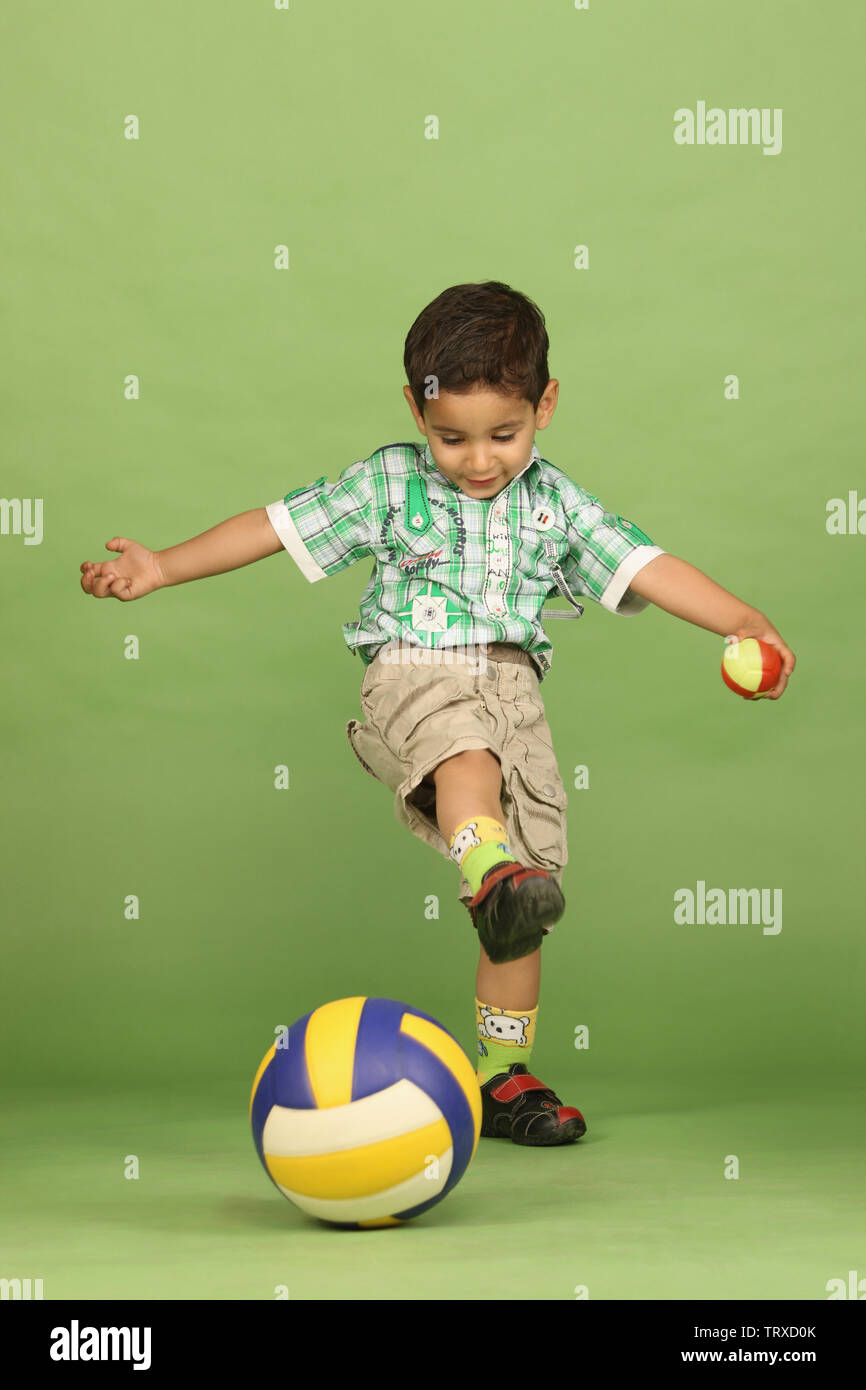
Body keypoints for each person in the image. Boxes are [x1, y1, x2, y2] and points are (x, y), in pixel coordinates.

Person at [80, 280, 796, 1149]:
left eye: (505, 433)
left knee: (527, 894)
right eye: (451, 437)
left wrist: (741, 621)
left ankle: (502, 1074)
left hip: (514, 691)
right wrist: (163, 567)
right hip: (412, 674)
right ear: (417, 413)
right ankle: (487, 866)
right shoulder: (388, 481)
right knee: (469, 765)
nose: (479, 459)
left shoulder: (556, 502)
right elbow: (272, 527)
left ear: (546, 404)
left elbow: (645, 565)